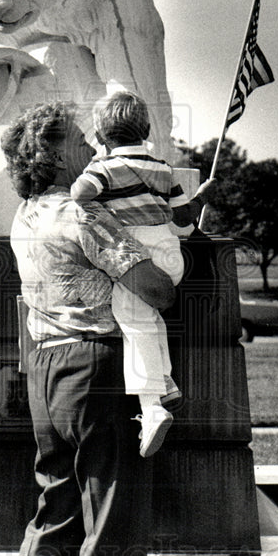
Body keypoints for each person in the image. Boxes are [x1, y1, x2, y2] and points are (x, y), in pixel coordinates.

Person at [0, 100, 175, 556]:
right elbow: (157, 289)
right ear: (53, 155)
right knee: (115, 518)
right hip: (97, 369)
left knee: (56, 512)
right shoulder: (82, 215)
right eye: (77, 139)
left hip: (45, 372)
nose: (89, 145)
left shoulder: (24, 215)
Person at [70, 90, 213, 457]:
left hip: (136, 254)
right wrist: (199, 199)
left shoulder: (104, 169)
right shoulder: (163, 168)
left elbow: (79, 194)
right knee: (149, 318)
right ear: (146, 129)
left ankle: (151, 408)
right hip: (169, 252)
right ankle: (165, 382)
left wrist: (92, 172)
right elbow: (183, 217)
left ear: (101, 136)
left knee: (133, 323)